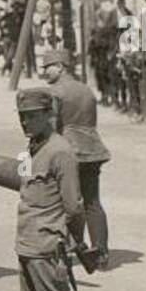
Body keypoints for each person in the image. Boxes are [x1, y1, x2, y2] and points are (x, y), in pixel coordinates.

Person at [5, 88, 85, 291]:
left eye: (32, 116)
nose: (25, 122)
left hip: (47, 246)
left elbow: (74, 206)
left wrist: (71, 241)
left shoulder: (60, 151)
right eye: (22, 116)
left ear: (47, 115)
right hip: (27, 243)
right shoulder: (34, 147)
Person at [41, 48, 111, 266]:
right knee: (92, 201)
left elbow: (52, 127)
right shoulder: (86, 90)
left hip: (69, 151)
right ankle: (101, 253)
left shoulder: (54, 92)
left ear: (60, 67)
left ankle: (76, 247)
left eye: (48, 67)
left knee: (69, 202)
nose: (45, 72)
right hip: (93, 149)